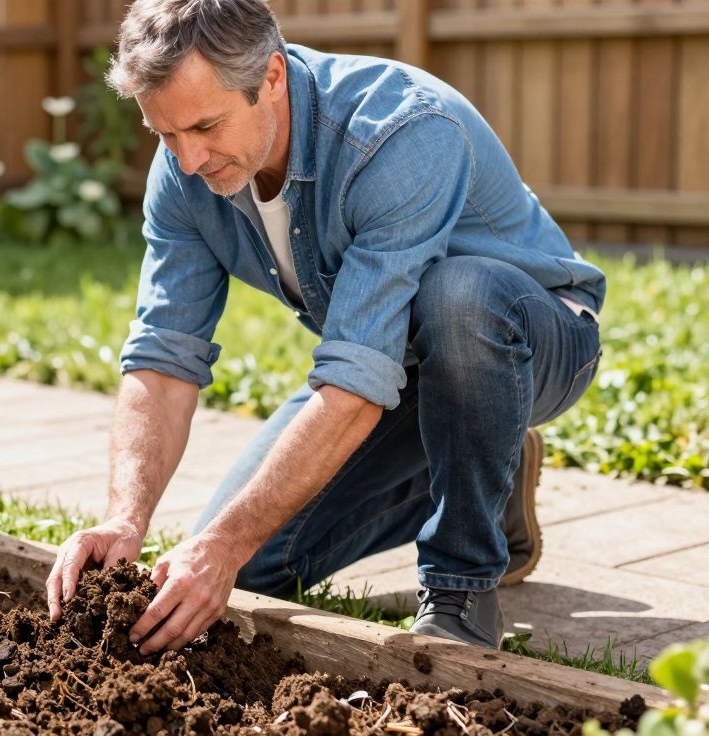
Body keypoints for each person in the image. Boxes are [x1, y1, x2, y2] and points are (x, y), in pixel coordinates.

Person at [44, 0, 605, 653]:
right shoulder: (183, 174)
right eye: (165, 134)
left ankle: (460, 584)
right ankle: (487, 476)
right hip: (401, 366)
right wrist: (125, 518)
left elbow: (354, 381)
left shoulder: (400, 133)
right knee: (251, 569)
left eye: (204, 126)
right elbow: (164, 357)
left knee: (461, 295)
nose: (189, 159)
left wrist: (221, 542)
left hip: (533, 338)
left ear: (273, 78)